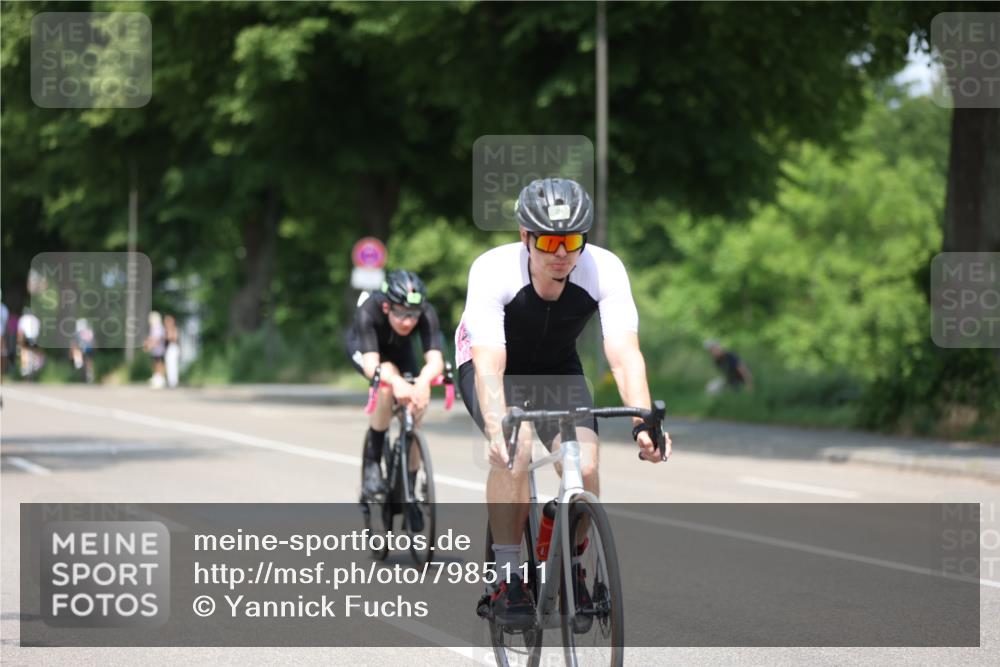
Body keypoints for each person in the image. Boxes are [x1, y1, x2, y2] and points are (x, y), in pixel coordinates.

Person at [454, 177, 671, 627]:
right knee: (516, 447)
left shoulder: (604, 269)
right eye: (549, 241)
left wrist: (644, 421)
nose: (561, 254)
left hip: (558, 369)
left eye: (572, 241)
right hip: (493, 367)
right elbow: (491, 364)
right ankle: (508, 576)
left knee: (586, 464)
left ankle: (570, 560)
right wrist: (497, 427)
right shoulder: (493, 271)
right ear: (525, 236)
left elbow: (624, 353)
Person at [346, 270, 445, 498]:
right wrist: (397, 382)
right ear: (387, 307)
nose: (408, 321)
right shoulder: (369, 310)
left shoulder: (426, 312)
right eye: (400, 313)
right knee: (386, 384)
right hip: (365, 349)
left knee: (415, 406)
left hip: (401, 350)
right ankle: (372, 463)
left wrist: (422, 383)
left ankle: (409, 483)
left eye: (413, 314)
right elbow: (372, 365)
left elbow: (435, 360)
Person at [17, 308, 44, 379]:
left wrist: (19, 342)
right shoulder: (36, 319)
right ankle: (36, 364)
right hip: (34, 339)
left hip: (27, 338)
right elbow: (39, 332)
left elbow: (20, 332)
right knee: (36, 352)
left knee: (23, 350)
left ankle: (25, 366)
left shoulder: (23, 319)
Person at [144, 311, 166, 389]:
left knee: (159, 363)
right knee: (155, 363)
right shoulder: (154, 327)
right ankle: (157, 378)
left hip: (159, 349)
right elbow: (151, 338)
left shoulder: (158, 327)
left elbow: (157, 338)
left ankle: (160, 379)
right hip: (155, 349)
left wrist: (149, 346)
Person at [70, 318, 96, 384]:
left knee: (77, 352)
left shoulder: (78, 332)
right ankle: (89, 373)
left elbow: (74, 343)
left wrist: (72, 351)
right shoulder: (90, 331)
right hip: (90, 349)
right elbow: (93, 341)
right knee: (89, 360)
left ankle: (79, 363)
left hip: (82, 349)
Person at [164, 314, 181, 388]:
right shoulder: (167, 329)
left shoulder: (174, 329)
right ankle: (170, 381)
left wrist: (168, 337)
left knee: (173, 365)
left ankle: (174, 382)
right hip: (169, 348)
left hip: (173, 347)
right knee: (169, 365)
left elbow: (175, 338)